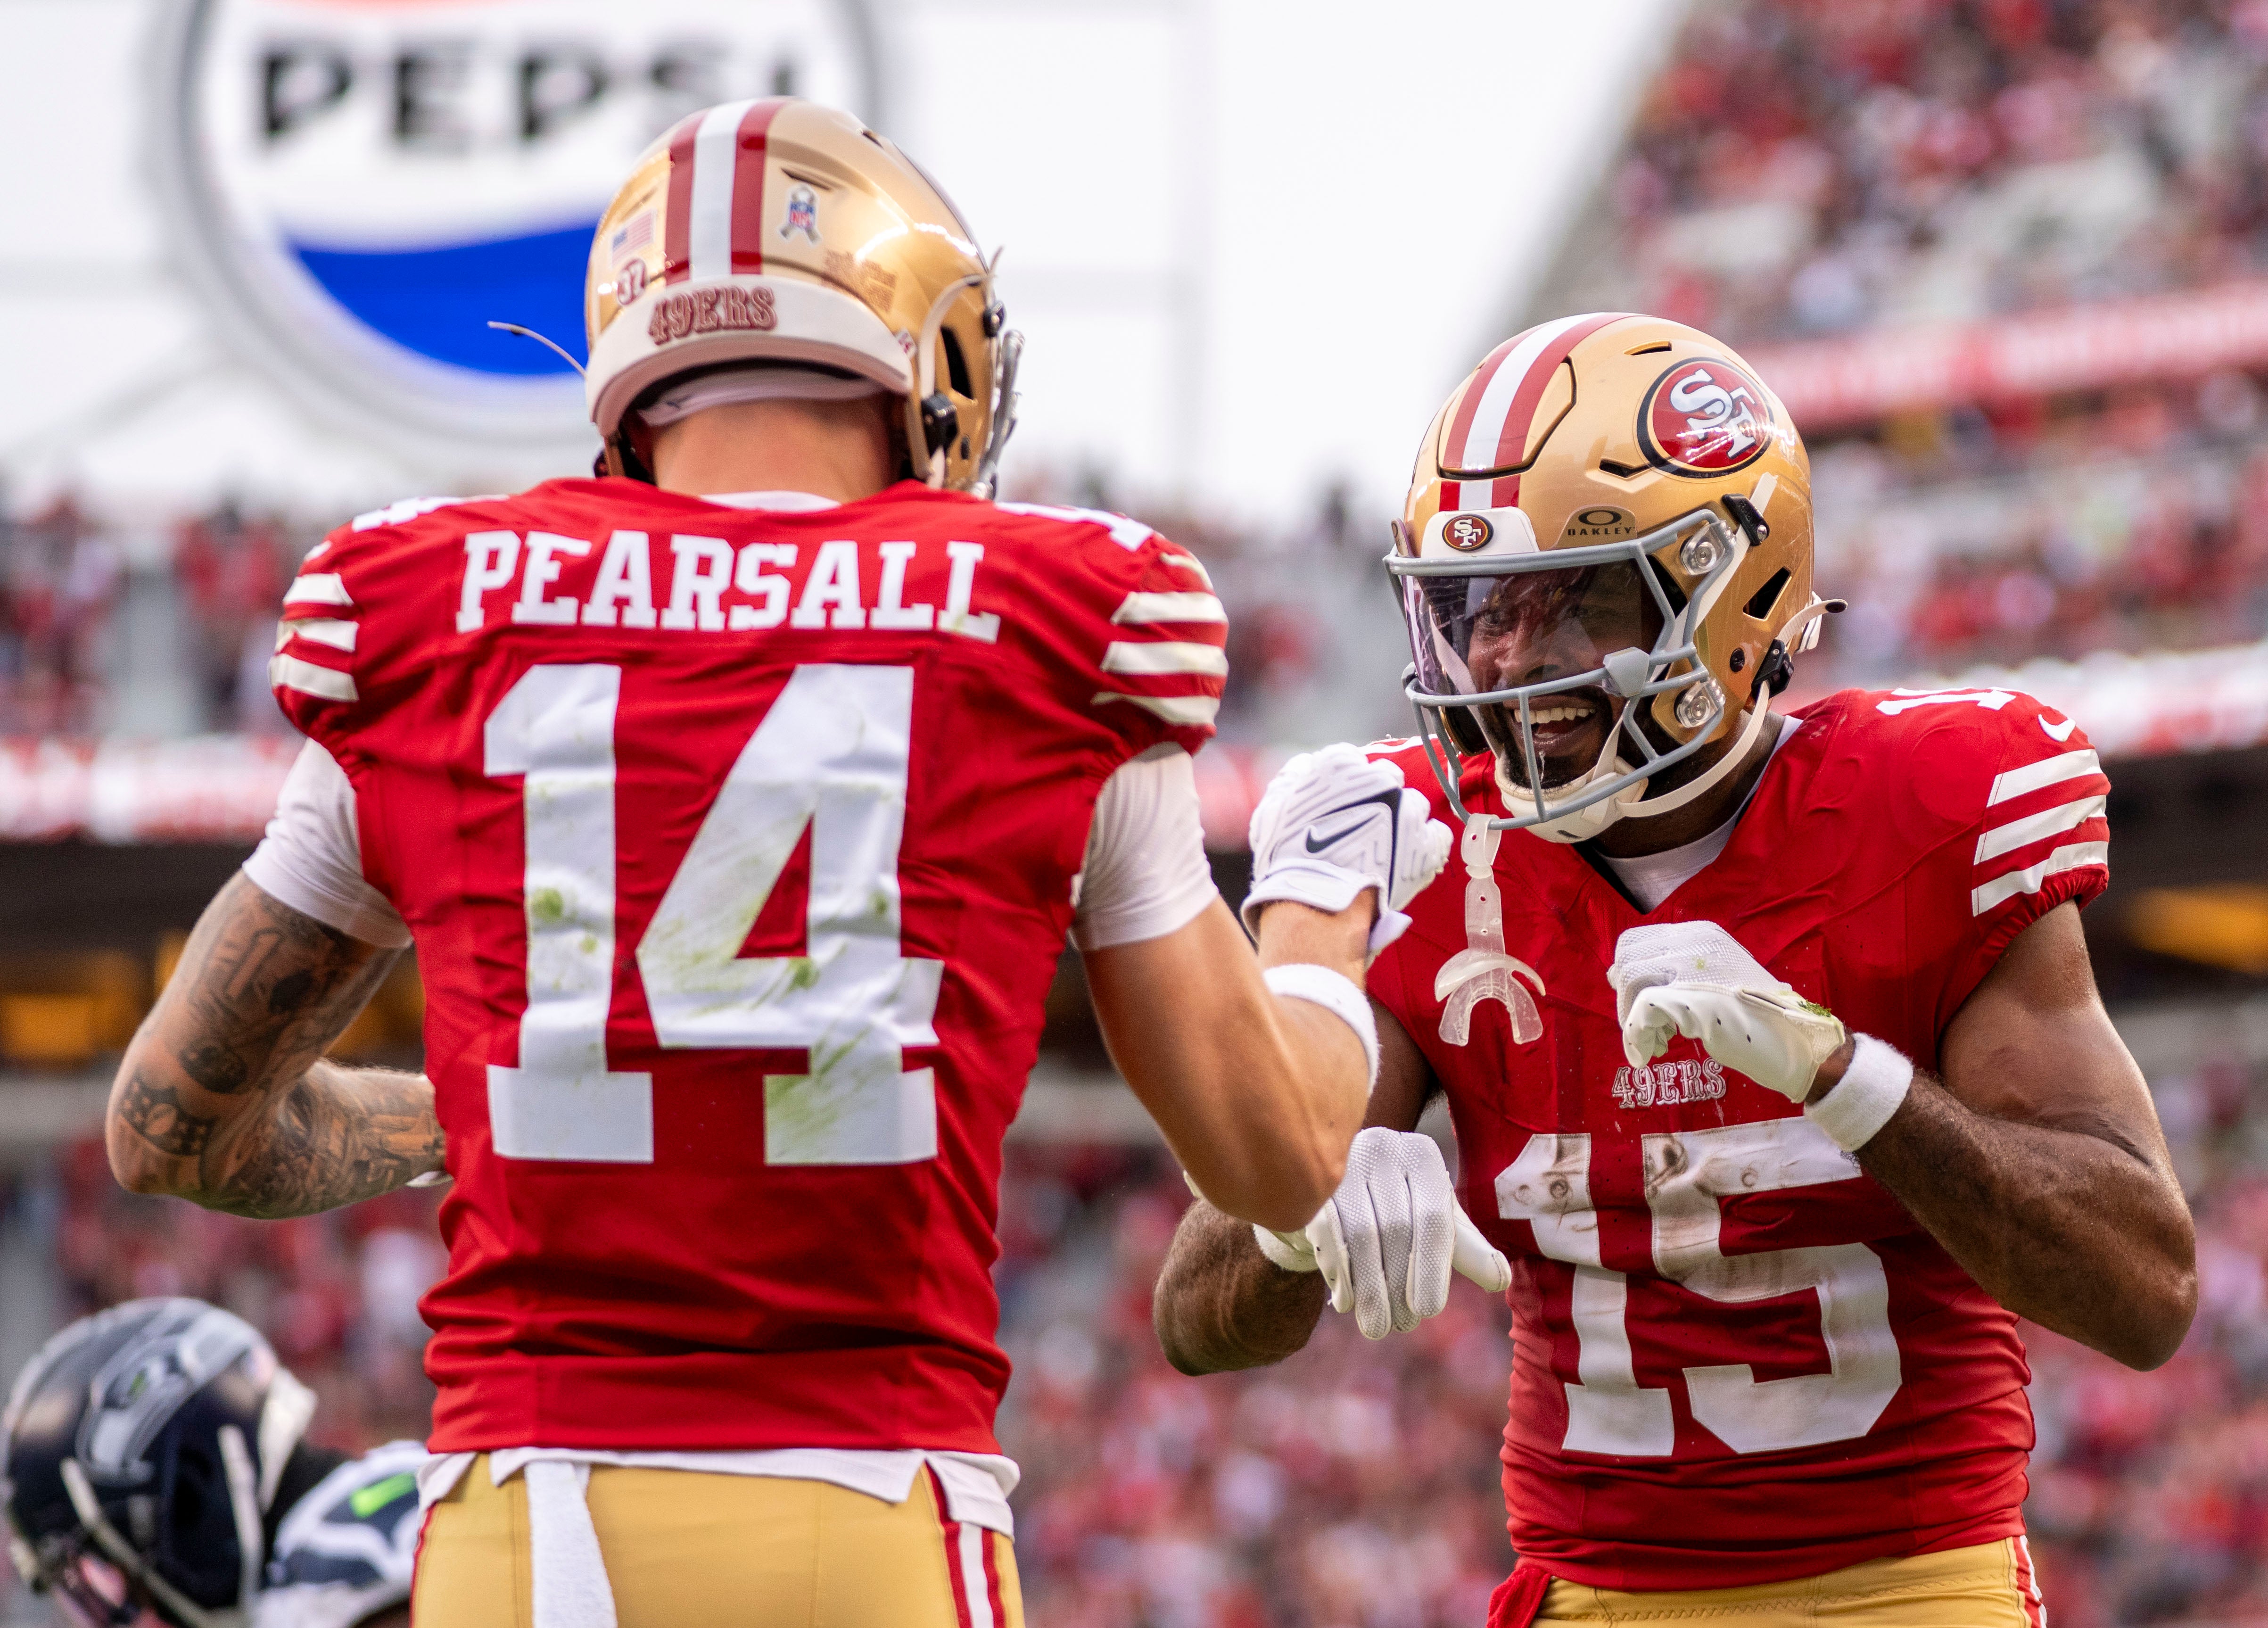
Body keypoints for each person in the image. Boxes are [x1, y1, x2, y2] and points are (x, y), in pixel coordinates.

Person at [102, 99, 1447, 1628]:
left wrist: (458, 1116)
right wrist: (1323, 934)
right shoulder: (1052, 624)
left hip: (517, 1533)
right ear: (926, 360)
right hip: (865, 1516)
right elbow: (1275, 1156)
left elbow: (172, 1129)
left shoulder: (431, 617)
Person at [1153, 313, 2197, 1627]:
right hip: (1594, 1594)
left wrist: (1844, 1078)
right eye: (1476, 606)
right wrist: (1296, 1205)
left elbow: (2143, 1287)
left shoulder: (1925, 806)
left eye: (1572, 600)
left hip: (1908, 1588)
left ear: (1734, 593)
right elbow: (1194, 1316)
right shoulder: (1412, 842)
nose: (1503, 661)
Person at [3, 1297, 420, 1628]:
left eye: (111, 1572)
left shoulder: (328, 1568)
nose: (132, 1606)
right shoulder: (400, 1481)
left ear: (187, 1496)